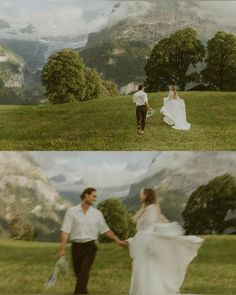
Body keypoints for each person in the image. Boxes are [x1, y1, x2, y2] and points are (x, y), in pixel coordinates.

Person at [125, 188, 204, 295]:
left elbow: (152, 224)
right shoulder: (146, 209)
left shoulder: (152, 208)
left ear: (147, 195)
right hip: (142, 244)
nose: (140, 196)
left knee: (147, 271)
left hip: (147, 243)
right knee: (145, 272)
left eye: (142, 194)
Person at [60, 187, 126, 294]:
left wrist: (117, 240)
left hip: (90, 247)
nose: (95, 199)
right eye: (93, 196)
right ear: (86, 195)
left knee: (84, 272)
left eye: (96, 197)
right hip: (76, 247)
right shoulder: (72, 211)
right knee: (79, 274)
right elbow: (65, 230)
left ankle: (78, 292)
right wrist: (62, 249)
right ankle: (84, 292)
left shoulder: (97, 214)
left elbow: (106, 230)